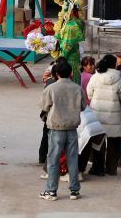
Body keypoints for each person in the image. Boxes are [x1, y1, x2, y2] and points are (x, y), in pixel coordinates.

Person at [38, 59, 84, 201]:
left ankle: (51, 191)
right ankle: (74, 191)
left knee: (53, 160)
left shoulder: (51, 88)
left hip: (56, 127)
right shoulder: (77, 88)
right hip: (72, 128)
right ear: (71, 73)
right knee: (72, 159)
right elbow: (83, 107)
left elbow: (44, 106)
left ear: (56, 74)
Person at [85, 54, 121, 175]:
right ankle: (111, 169)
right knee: (114, 143)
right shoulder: (119, 78)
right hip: (114, 114)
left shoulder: (96, 77)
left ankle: (98, 168)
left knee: (98, 143)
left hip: (97, 113)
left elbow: (89, 93)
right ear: (114, 65)